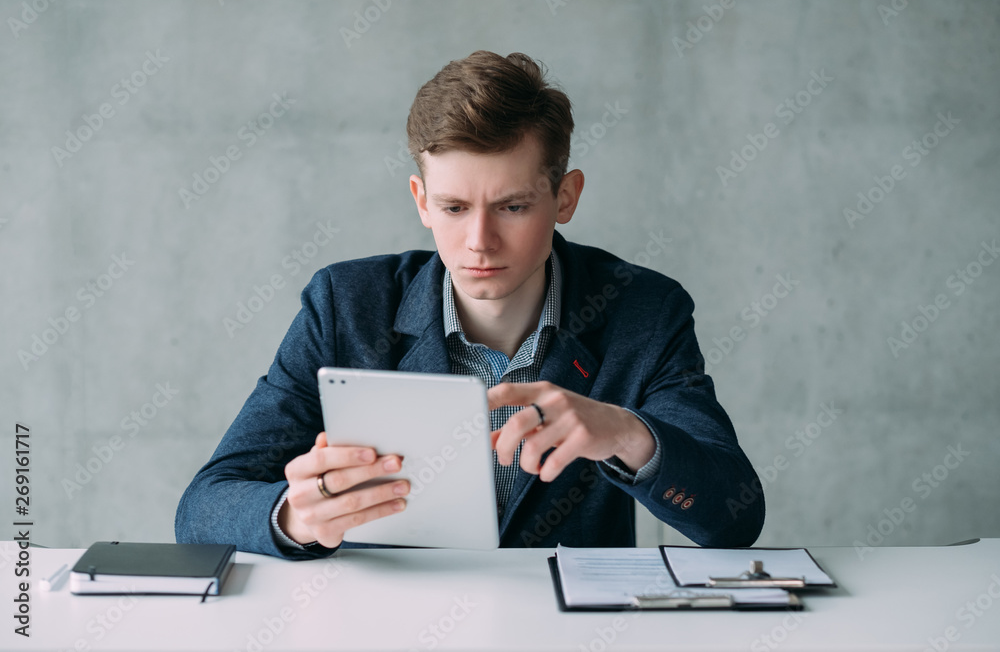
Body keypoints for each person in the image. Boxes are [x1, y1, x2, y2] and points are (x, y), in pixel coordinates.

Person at [175, 50, 764, 559]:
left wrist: (626, 433)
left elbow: (734, 519)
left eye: (511, 206)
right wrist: (295, 516)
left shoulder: (644, 309)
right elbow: (202, 508)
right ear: (421, 202)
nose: (479, 241)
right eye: (454, 208)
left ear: (565, 196)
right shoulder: (345, 304)